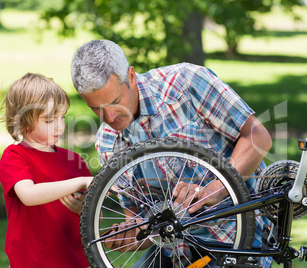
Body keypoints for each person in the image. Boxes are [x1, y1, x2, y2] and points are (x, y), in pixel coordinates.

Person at [71, 39, 273, 267]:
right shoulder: (107, 142)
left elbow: (258, 137)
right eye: (95, 108)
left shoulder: (186, 83)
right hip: (177, 251)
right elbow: (139, 222)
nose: (109, 117)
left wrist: (214, 190)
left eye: (115, 101)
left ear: (131, 77)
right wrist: (124, 235)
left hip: (238, 238)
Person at [0, 73, 92, 268]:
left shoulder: (74, 160)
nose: (59, 126)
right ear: (22, 122)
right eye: (49, 121)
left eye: (62, 117)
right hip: (32, 261)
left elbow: (94, 213)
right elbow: (29, 195)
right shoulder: (15, 156)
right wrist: (80, 182)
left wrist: (83, 208)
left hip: (73, 259)